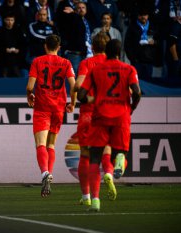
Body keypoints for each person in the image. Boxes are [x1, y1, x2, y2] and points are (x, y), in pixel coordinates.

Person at [77, 39, 141, 211]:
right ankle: (119, 160)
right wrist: (132, 106)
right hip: (121, 115)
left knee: (94, 158)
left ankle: (95, 200)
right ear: (120, 53)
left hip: (100, 115)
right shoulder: (129, 69)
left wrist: (93, 99)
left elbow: (81, 95)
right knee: (120, 152)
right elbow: (137, 92)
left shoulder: (95, 69)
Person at [26, 34, 76, 197]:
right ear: (59, 47)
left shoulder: (37, 61)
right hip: (58, 108)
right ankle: (49, 173)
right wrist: (73, 103)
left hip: (42, 107)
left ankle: (45, 173)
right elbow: (73, 86)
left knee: (40, 144)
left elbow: (30, 86)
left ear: (45, 46)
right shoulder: (66, 63)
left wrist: (29, 96)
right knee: (51, 145)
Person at [74, 32, 116, 207]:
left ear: (92, 47)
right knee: (106, 150)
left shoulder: (87, 63)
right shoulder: (114, 65)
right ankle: (108, 172)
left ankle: (87, 197)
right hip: (107, 112)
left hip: (88, 112)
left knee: (85, 155)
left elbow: (78, 85)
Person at [0, 13, 27, 77]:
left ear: (14, 21)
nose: (10, 22)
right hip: (3, 57)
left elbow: (24, 45)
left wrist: (18, 50)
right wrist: (5, 50)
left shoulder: (19, 31)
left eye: (11, 20)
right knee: (4, 73)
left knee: (17, 72)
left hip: (17, 58)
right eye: (8, 20)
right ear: (4, 20)